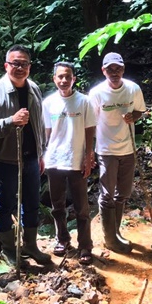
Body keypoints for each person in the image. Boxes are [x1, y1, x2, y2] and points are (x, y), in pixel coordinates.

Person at [0, 45, 51, 266]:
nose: (20, 68)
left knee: (31, 201)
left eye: (24, 64)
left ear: (29, 66)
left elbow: (38, 124)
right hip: (7, 159)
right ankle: (9, 249)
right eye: (15, 63)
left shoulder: (34, 89)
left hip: (31, 156)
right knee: (6, 202)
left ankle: (30, 245)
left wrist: (40, 153)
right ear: (6, 65)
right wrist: (11, 121)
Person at [89, 52, 146, 254]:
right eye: (110, 69)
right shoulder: (96, 93)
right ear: (103, 71)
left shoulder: (133, 89)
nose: (114, 72)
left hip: (128, 148)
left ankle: (116, 233)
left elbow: (140, 110)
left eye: (118, 68)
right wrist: (89, 150)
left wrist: (134, 117)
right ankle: (110, 239)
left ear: (123, 69)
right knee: (107, 195)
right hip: (106, 150)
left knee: (122, 194)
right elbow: (89, 122)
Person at [43, 61, 96, 264]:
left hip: (76, 159)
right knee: (57, 205)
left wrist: (88, 155)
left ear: (74, 78)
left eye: (68, 76)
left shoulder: (84, 102)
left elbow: (90, 128)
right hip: (54, 160)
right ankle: (62, 239)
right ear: (54, 79)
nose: (64, 80)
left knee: (81, 207)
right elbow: (47, 133)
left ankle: (85, 245)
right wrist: (43, 156)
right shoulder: (48, 103)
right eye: (60, 77)